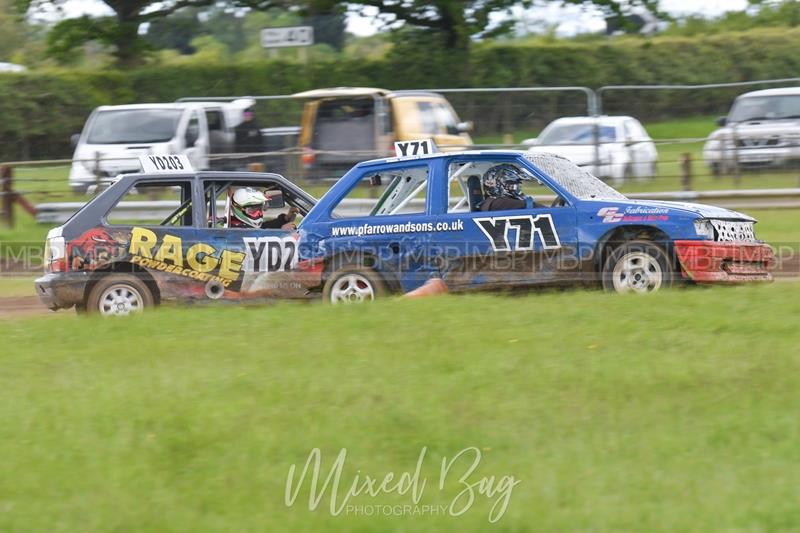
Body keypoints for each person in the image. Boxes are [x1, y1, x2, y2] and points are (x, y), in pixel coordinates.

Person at [229, 187, 298, 230]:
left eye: (259, 209)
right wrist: (282, 233)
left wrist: (285, 219)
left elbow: (264, 227)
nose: (258, 213)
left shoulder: (247, 226)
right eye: (253, 210)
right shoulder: (236, 230)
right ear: (239, 209)